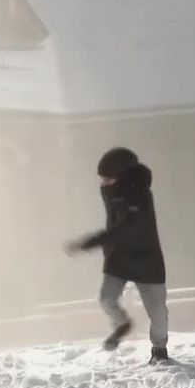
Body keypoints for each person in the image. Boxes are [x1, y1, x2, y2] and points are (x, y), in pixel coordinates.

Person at [66, 147, 170, 365]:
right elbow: (114, 226)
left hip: (146, 260)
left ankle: (159, 350)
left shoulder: (140, 196)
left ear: (123, 175)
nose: (104, 182)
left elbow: (126, 228)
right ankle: (122, 324)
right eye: (102, 178)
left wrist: (91, 242)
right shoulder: (110, 192)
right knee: (106, 298)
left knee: (158, 311)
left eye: (108, 177)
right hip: (119, 257)